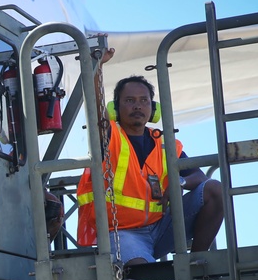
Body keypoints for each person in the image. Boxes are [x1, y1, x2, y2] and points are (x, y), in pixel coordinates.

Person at [76, 48, 224, 267]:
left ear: (153, 109)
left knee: (215, 189)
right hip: (123, 232)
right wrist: (95, 68)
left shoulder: (165, 144)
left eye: (144, 100)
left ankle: (196, 263)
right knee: (143, 275)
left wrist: (179, 182)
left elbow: (200, 178)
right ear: (115, 108)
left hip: (161, 227)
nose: (137, 106)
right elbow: (96, 111)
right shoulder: (111, 136)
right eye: (129, 100)